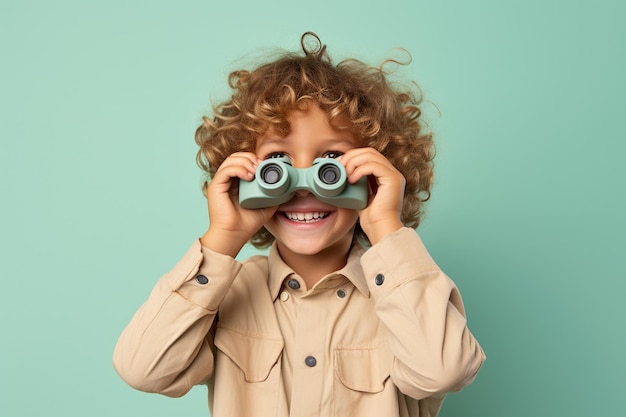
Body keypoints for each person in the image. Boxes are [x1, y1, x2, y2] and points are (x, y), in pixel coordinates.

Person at [113, 32, 485, 417]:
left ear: (378, 170)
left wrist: (385, 225)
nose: (303, 186)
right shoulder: (225, 296)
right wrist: (222, 239)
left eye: (331, 161)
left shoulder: (401, 298)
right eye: (279, 163)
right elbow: (144, 369)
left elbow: (444, 371)